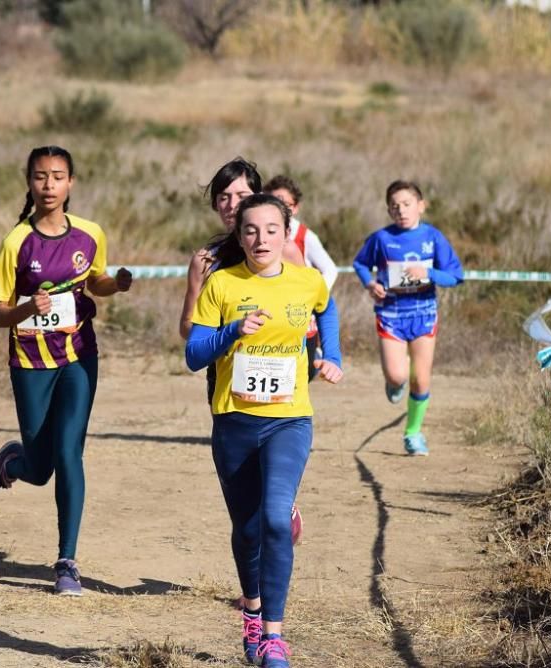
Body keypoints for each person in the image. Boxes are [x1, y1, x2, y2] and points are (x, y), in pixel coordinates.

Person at [185, 193, 343, 668]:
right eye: (251, 230)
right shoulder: (221, 285)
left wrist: (331, 355)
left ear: (286, 232)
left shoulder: (306, 281)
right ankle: (251, 611)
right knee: (247, 527)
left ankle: (273, 635)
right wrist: (232, 331)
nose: (261, 239)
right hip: (233, 421)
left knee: (276, 518)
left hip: (289, 419)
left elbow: (327, 310)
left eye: (271, 229)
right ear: (239, 235)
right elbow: (194, 354)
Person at [0, 145, 133, 596]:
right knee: (41, 468)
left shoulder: (89, 233)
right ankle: (11, 462)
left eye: (57, 177)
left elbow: (94, 279)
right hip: (31, 360)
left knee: (68, 454)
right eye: (40, 177)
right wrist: (26, 309)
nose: (49, 186)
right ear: (29, 182)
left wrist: (114, 284)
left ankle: (66, 562)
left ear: (71, 184)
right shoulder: (16, 242)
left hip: (79, 354)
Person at [178, 159, 304, 551]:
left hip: (282, 383)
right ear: (216, 206)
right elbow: (187, 330)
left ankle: (281, 517)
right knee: (245, 496)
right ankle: (259, 568)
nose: (233, 204)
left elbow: (310, 309)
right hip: (228, 385)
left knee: (273, 492)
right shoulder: (207, 260)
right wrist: (225, 330)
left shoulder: (287, 251)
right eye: (224, 197)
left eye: (242, 195)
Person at [352, 180, 463, 456]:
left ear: (421, 206)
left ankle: (413, 433)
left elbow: (455, 276)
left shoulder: (433, 237)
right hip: (391, 314)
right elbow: (360, 263)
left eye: (406, 204)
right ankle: (393, 383)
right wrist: (369, 284)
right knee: (398, 374)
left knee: (421, 379)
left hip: (424, 314)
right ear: (389, 211)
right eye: (394, 206)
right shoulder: (381, 238)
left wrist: (429, 274)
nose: (401, 210)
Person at [264, 175, 339, 382]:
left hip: (302, 309)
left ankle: (314, 358)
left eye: (285, 203)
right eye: (273, 201)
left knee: (304, 372)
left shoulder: (305, 236)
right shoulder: (259, 232)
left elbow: (330, 269)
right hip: (272, 306)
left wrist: (313, 298)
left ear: (295, 208)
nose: (279, 207)